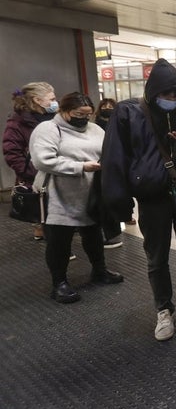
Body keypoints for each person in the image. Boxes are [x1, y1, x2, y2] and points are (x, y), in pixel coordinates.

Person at [101, 58, 176, 341]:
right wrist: (120, 203)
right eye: (166, 95)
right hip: (152, 196)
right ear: (154, 93)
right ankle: (163, 310)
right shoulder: (128, 112)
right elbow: (115, 157)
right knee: (157, 256)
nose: (171, 100)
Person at [28, 92, 124, 303]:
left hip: (90, 194)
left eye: (88, 114)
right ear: (64, 111)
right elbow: (42, 161)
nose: (84, 118)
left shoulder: (95, 129)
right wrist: (81, 167)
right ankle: (59, 284)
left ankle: (99, 271)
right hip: (58, 196)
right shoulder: (48, 129)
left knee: (93, 236)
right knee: (59, 242)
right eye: (78, 114)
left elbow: (108, 151)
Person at [3, 82, 58, 241]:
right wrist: (32, 173)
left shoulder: (57, 118)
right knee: (46, 212)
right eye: (51, 98)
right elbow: (11, 152)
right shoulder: (18, 122)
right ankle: (57, 250)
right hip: (38, 176)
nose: (55, 102)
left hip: (59, 171)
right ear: (37, 100)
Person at [93, 97, 124, 248]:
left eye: (110, 106)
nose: (107, 108)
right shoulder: (94, 126)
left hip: (109, 167)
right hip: (96, 168)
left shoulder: (119, 123)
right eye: (104, 106)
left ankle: (113, 234)